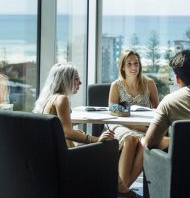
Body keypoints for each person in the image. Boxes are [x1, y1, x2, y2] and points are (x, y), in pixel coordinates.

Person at [33, 62, 139, 198]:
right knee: (107, 146)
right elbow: (67, 132)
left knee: (101, 145)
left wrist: (81, 136)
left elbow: (61, 130)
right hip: (67, 156)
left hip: (55, 153)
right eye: (76, 79)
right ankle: (122, 192)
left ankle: (121, 190)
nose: (80, 82)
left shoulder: (47, 99)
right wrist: (96, 140)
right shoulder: (62, 99)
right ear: (65, 80)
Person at [108, 50, 159, 188]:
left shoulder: (149, 83)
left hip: (143, 126)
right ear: (123, 67)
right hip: (120, 125)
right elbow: (113, 112)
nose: (133, 67)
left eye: (136, 63)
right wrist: (137, 126)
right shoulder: (116, 85)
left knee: (144, 144)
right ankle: (123, 189)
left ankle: (122, 188)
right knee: (130, 139)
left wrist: (145, 127)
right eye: (129, 64)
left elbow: (157, 111)